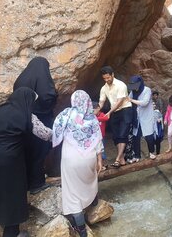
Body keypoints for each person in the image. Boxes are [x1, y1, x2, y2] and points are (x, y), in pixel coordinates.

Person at [0, 87, 52, 237]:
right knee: (13, 198)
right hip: (9, 163)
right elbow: (45, 134)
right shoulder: (27, 115)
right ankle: (12, 233)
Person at [52, 90, 104, 237]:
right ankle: (93, 201)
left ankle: (81, 229)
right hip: (89, 157)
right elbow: (98, 139)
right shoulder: (92, 118)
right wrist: (100, 159)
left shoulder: (66, 114)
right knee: (91, 178)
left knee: (72, 192)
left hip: (71, 158)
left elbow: (56, 131)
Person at [13, 56, 57, 194]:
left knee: (27, 152)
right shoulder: (43, 79)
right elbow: (47, 97)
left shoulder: (20, 79)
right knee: (39, 152)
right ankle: (37, 184)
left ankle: (25, 183)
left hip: (22, 120)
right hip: (39, 120)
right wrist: (56, 94)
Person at [99, 66, 132, 168]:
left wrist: (108, 112)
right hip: (114, 112)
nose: (107, 80)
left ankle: (117, 159)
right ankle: (121, 158)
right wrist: (95, 111)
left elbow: (119, 102)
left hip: (125, 110)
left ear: (113, 74)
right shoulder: (104, 88)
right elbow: (101, 102)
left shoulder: (121, 85)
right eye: (104, 78)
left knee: (122, 134)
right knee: (116, 135)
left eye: (108, 77)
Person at [127, 75, 156, 161]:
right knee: (136, 137)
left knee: (149, 136)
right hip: (137, 117)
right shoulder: (133, 91)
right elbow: (128, 98)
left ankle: (151, 152)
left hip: (146, 116)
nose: (134, 88)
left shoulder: (147, 90)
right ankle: (137, 156)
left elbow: (145, 103)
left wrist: (131, 100)